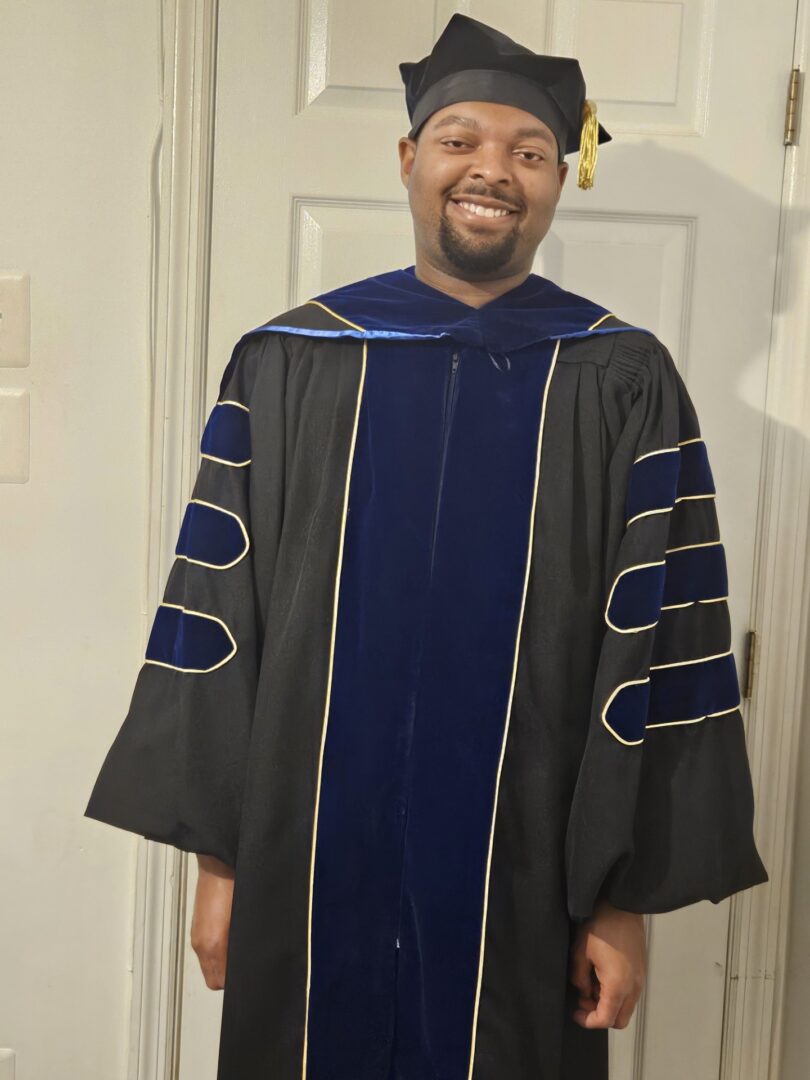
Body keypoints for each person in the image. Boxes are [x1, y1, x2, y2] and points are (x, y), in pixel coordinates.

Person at [84, 13, 768, 1080]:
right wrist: (222, 867)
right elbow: (220, 624)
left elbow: (656, 654)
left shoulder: (622, 381)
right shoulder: (290, 362)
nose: (491, 170)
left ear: (559, 179)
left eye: (529, 151)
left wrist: (619, 900)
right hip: (306, 865)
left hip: (528, 876)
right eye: (459, 140)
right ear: (409, 157)